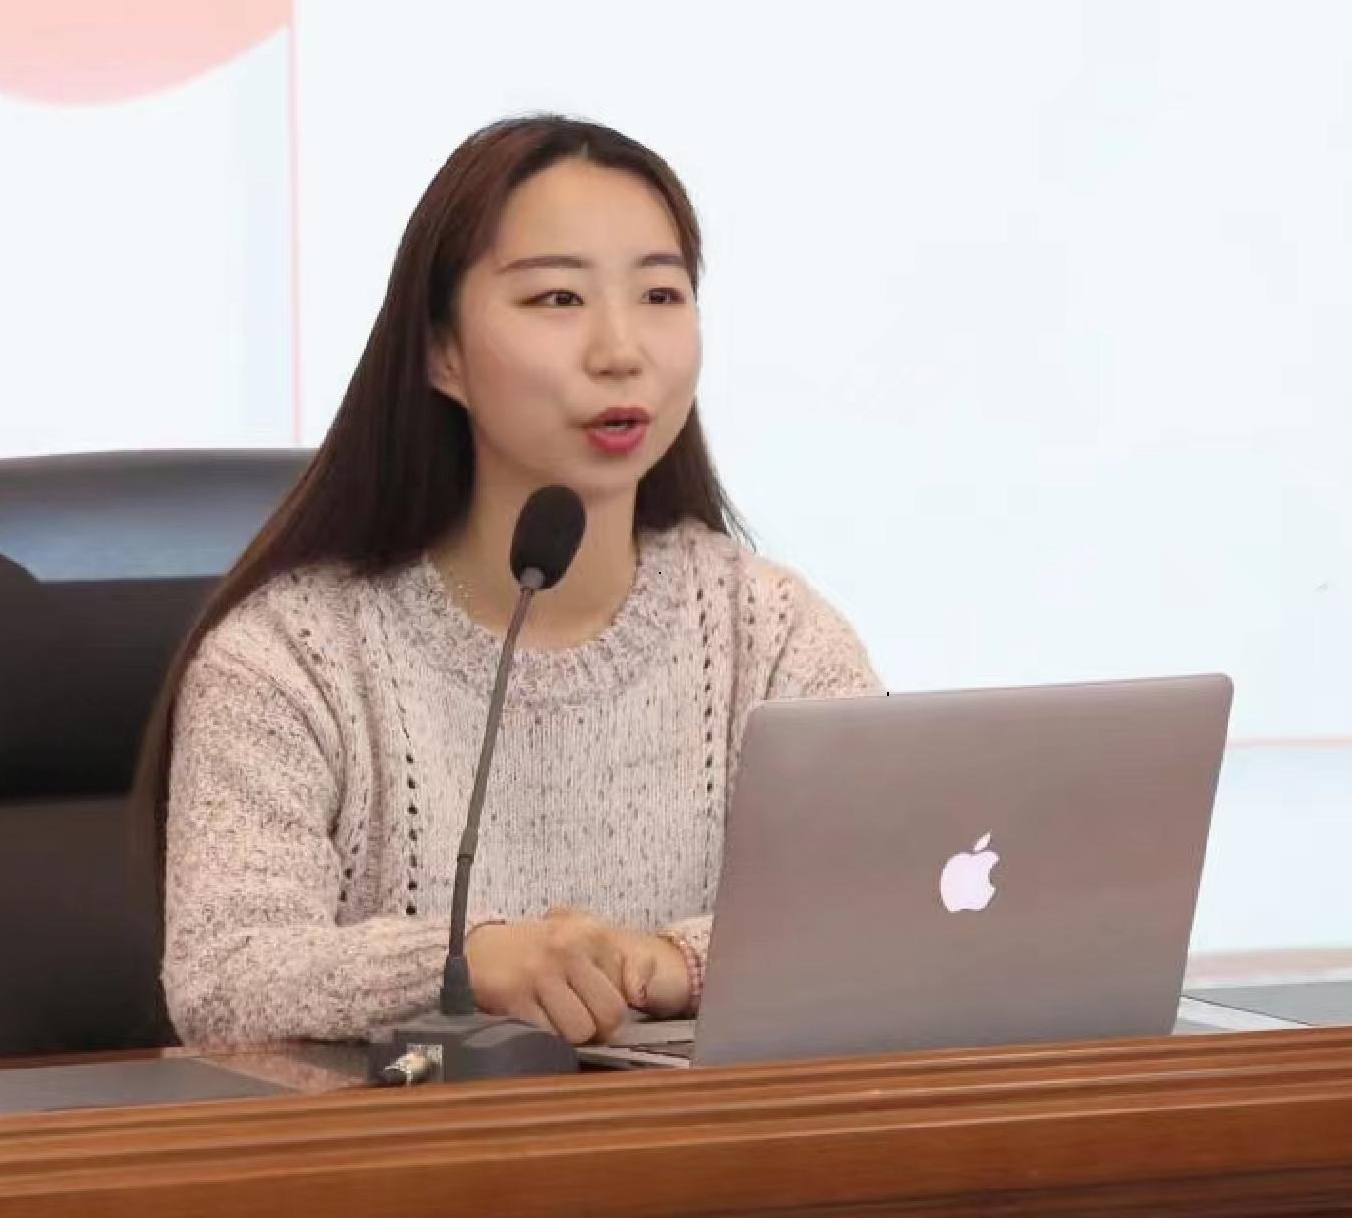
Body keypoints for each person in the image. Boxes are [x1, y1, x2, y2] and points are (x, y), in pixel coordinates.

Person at [134, 115, 880, 1049]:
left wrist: (670, 963)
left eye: (660, 293)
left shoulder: (774, 636)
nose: (621, 350)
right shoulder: (292, 658)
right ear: (440, 351)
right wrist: (470, 961)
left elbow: (884, 916)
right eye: (558, 298)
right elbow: (224, 976)